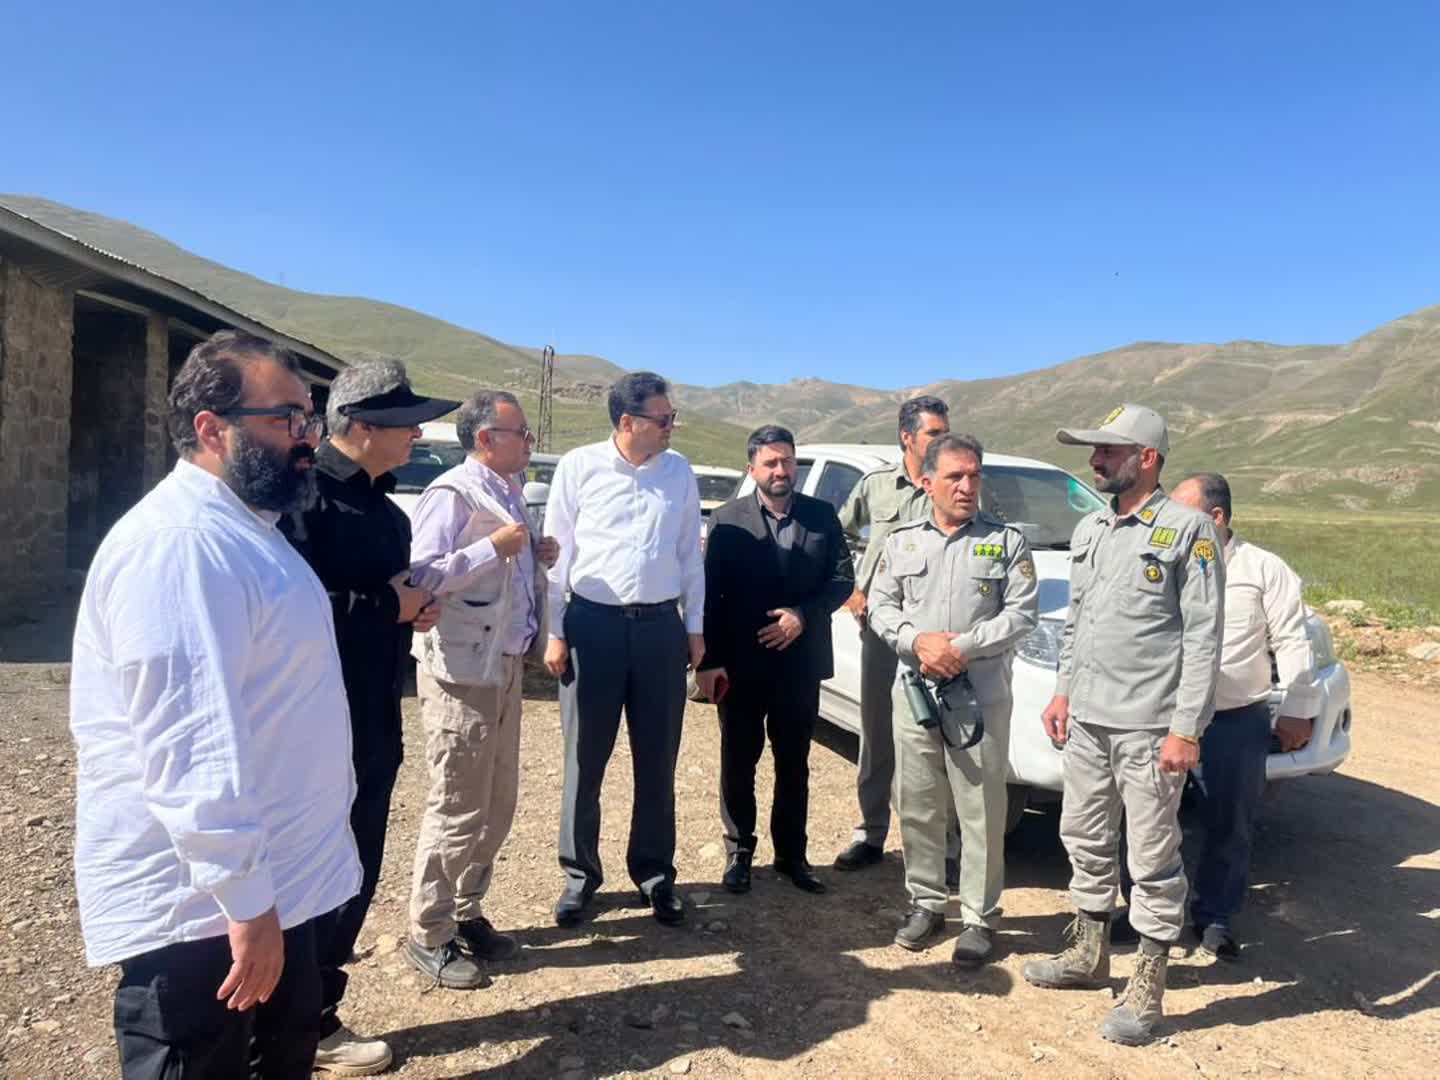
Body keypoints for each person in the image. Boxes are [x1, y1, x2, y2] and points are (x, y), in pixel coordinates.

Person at [69, 330, 361, 1079]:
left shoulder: (245, 531)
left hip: (266, 893)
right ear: (212, 428)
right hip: (207, 914)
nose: (307, 438)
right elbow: (189, 744)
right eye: (287, 419)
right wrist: (247, 902)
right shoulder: (181, 543)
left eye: (309, 418)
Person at [1022, 403, 1224, 1046]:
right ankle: (1088, 954)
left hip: (1149, 726)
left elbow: (1204, 637)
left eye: (1109, 451)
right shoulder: (1093, 529)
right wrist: (1062, 691)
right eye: (1096, 450)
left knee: (1152, 855)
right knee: (1083, 836)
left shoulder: (1189, 531)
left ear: (1148, 458)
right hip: (1088, 718)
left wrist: (1186, 728)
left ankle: (1149, 983)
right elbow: (1077, 621)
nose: (1096, 460)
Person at [281, 360, 456, 1072]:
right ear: (357, 425)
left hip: (373, 721)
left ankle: (316, 1017)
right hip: (310, 729)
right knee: (304, 880)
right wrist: (390, 605)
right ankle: (283, 1031)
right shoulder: (300, 501)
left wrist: (410, 610)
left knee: (354, 871)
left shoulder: (388, 513)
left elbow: (376, 605)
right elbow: (289, 612)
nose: (417, 433)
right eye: (404, 422)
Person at [404, 390, 557, 987]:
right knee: (458, 803)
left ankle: (467, 910)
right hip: (462, 671)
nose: (530, 443)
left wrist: (537, 556)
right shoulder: (451, 494)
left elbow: (509, 571)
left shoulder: (509, 490)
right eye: (522, 433)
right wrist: (490, 549)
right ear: (487, 438)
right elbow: (421, 576)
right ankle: (429, 930)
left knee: (496, 801)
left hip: (504, 663)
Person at [868, 434, 1038, 967]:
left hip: (978, 696)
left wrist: (959, 648)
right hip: (916, 693)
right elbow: (880, 606)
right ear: (927, 482)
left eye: (974, 476)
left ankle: (980, 918)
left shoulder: (1006, 542)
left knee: (980, 808)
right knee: (918, 803)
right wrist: (918, 642)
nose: (967, 486)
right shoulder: (902, 543)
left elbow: (1021, 614)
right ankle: (926, 902)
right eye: (955, 477)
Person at [544, 371, 705, 928]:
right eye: (663, 419)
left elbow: (689, 555)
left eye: (671, 418)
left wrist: (695, 628)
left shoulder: (678, 472)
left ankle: (655, 874)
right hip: (593, 626)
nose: (671, 426)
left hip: (660, 629)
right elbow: (557, 556)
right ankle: (579, 876)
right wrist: (555, 630)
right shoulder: (580, 467)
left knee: (658, 757)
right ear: (628, 422)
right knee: (585, 757)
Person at [696, 425, 854, 896]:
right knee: (738, 761)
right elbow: (711, 595)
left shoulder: (821, 516)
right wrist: (709, 661)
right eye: (770, 463)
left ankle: (792, 856)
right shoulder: (727, 520)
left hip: (799, 663)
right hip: (741, 665)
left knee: (793, 761)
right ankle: (739, 852)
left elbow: (841, 580)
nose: (780, 470)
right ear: (753, 470)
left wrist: (802, 616)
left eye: (787, 461)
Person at [1171, 473, 1319, 960]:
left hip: (1233, 719)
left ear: (1216, 517)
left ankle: (1214, 916)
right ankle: (1146, 913)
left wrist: (1298, 710)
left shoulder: (1263, 569)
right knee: (1149, 818)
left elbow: (1291, 640)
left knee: (1229, 821)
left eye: (1183, 513)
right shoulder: (1167, 561)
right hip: (1165, 717)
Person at [833, 395, 952, 874]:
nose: (942, 439)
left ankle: (941, 847)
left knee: (935, 738)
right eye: (934, 433)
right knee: (878, 732)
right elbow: (837, 534)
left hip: (934, 633)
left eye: (945, 432)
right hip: (882, 631)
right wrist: (852, 588)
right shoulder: (877, 485)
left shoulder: (951, 485)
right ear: (907, 437)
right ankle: (871, 833)